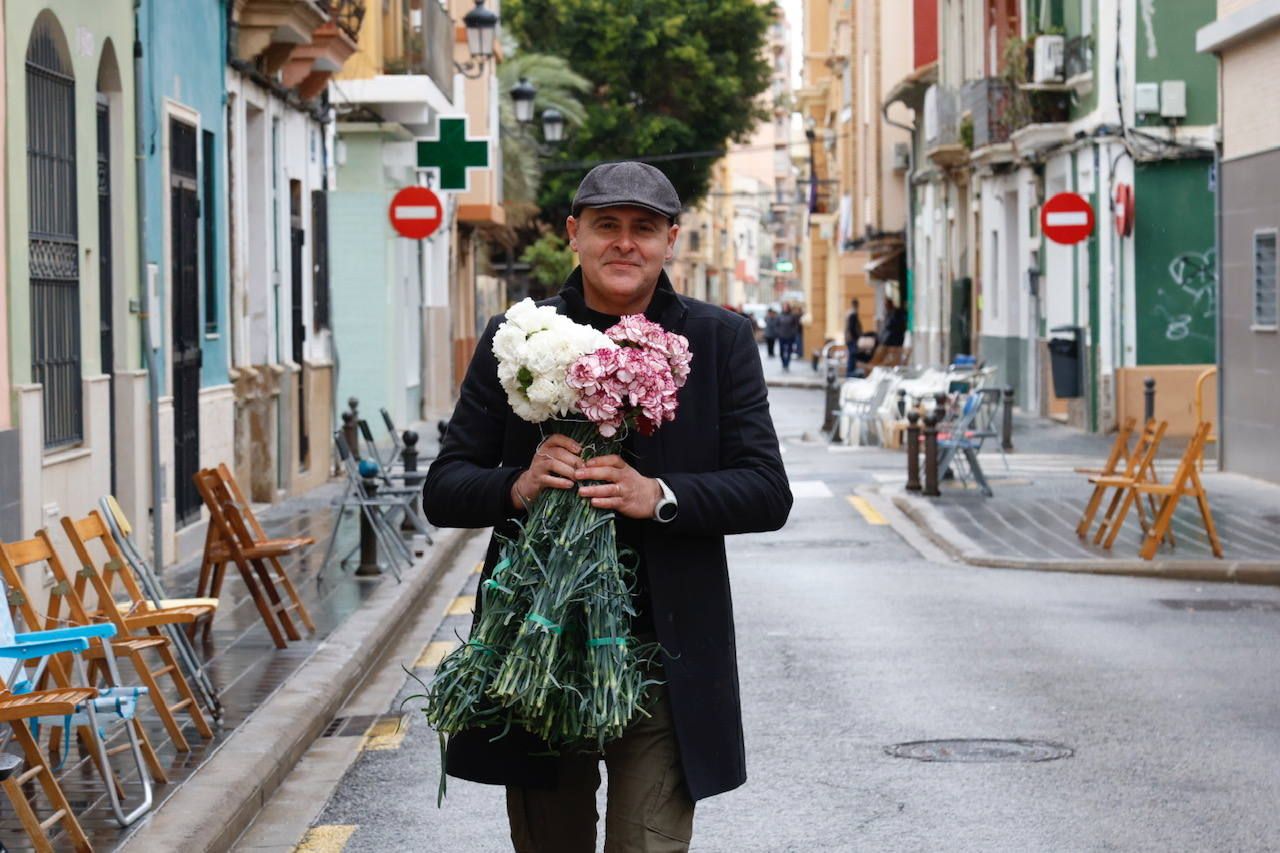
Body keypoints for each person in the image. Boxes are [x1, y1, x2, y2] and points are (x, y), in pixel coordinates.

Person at [423, 161, 793, 853]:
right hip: (538, 652)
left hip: (664, 660)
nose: (625, 243)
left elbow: (768, 489)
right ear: (574, 234)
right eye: (607, 226)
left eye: (644, 229)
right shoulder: (519, 337)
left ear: (671, 240)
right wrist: (518, 483)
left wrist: (661, 497)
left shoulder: (719, 341)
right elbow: (444, 487)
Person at [775, 303, 800, 371]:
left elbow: (795, 326)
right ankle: (783, 363)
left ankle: (787, 363)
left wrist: (793, 333)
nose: (785, 308)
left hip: (790, 336)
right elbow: (776, 325)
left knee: (789, 351)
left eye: (786, 307)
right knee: (781, 351)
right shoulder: (779, 316)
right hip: (781, 336)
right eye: (784, 307)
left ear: (789, 308)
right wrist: (778, 332)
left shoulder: (792, 316)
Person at [844, 298, 862, 378]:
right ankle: (850, 372)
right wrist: (857, 337)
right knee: (852, 354)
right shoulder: (853, 314)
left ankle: (850, 372)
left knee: (851, 354)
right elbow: (852, 328)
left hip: (848, 337)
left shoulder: (848, 313)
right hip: (851, 338)